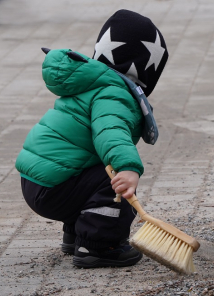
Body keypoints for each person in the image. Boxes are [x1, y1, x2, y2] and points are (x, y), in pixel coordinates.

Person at [15, 9, 168, 268]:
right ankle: (98, 246)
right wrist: (129, 168)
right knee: (114, 182)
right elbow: (111, 134)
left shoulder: (93, 83)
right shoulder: (114, 94)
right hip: (54, 187)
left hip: (37, 182)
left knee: (92, 171)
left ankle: (75, 234)